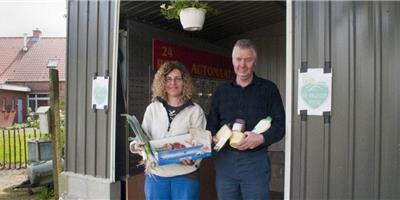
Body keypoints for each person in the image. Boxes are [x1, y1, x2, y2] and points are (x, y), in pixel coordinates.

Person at [207, 39, 285, 200]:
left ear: (254, 62)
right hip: (225, 161)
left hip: (255, 161)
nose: (242, 64)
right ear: (232, 60)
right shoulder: (221, 91)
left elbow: (280, 125)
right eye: (238, 59)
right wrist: (214, 137)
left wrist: (261, 138)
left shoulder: (269, 89)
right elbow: (211, 124)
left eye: (248, 60)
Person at [129, 61, 206, 200]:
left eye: (178, 78)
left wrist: (193, 158)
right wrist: (135, 146)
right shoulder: (153, 108)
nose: (173, 83)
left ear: (184, 82)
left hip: (185, 176)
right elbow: (142, 136)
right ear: (162, 82)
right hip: (157, 175)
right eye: (168, 79)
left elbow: (201, 144)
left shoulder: (195, 111)